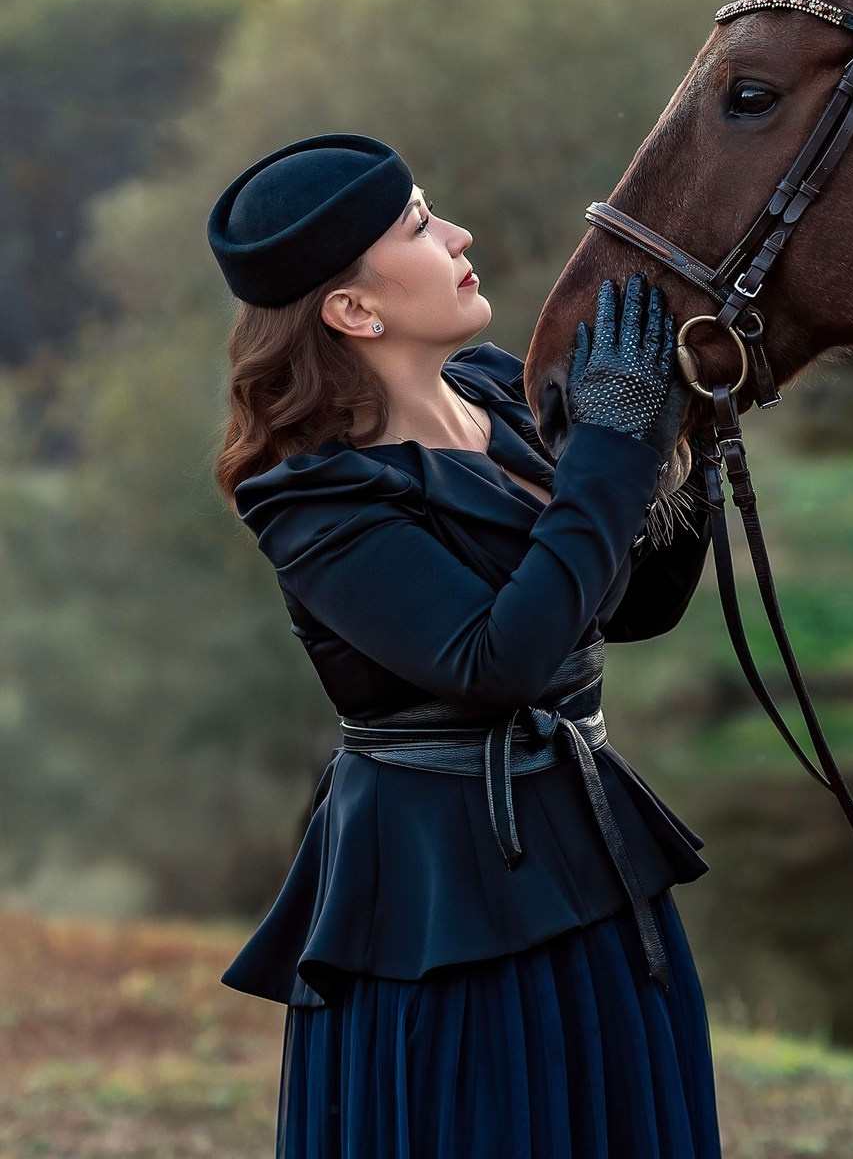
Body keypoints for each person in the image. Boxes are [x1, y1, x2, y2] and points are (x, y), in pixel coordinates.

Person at [206, 133, 720, 1158]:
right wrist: (606, 455)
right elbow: (498, 660)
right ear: (353, 310)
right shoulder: (315, 497)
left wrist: (682, 425)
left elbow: (624, 606)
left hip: (587, 856)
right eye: (418, 225)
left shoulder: (491, 394)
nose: (457, 234)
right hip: (447, 906)